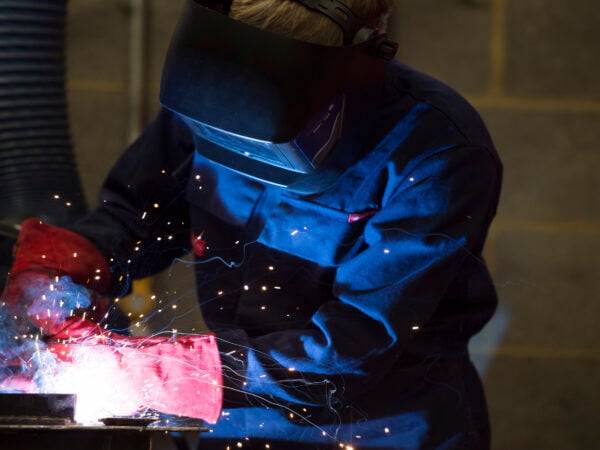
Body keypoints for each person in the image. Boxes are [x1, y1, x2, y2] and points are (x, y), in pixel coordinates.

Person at [1, 0, 502, 449]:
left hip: (377, 432)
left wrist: (152, 370)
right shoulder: (212, 89)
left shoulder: (437, 152)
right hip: (230, 423)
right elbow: (138, 214)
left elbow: (352, 350)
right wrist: (59, 272)